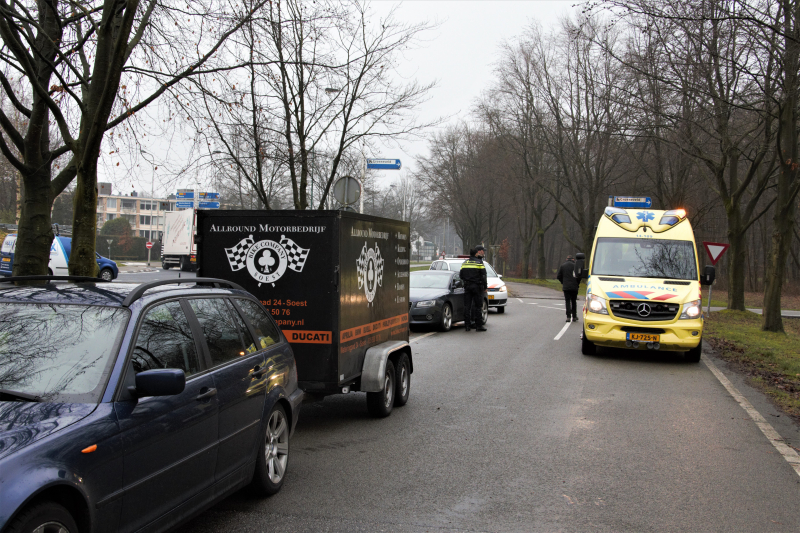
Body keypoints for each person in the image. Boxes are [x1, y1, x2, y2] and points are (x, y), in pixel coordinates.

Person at [460, 245, 488, 331]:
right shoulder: (479, 263)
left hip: (467, 287)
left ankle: (467, 326)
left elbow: (461, 275)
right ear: (476, 254)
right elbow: (483, 276)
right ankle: (478, 326)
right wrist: (485, 286)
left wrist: (466, 281)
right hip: (477, 287)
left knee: (467, 306)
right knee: (478, 306)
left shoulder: (464, 263)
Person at [557, 254, 581, 322]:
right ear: (573, 259)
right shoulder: (575, 266)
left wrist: (563, 282)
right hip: (574, 286)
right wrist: (577, 283)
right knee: (573, 301)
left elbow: (559, 276)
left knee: (567, 301)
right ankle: (574, 316)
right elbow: (579, 276)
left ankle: (568, 316)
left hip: (566, 286)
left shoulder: (563, 266)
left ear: (566, 259)